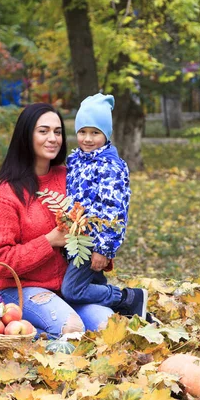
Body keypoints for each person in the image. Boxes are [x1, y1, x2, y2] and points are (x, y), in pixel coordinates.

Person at [0, 102, 114, 338]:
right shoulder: (5, 194)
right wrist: (50, 241)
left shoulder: (69, 176)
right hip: (22, 289)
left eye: (57, 131)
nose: (53, 138)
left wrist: (102, 251)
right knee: (72, 330)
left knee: (110, 327)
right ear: (26, 135)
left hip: (70, 289)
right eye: (43, 131)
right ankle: (6, 332)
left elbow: (94, 220)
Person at [60, 93, 148, 318]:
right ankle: (133, 314)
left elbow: (114, 210)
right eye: (82, 132)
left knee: (72, 290)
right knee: (92, 284)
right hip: (76, 238)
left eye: (95, 133)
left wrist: (104, 249)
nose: (87, 139)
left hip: (93, 240)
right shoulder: (76, 160)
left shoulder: (110, 166)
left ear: (106, 135)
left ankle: (128, 298)